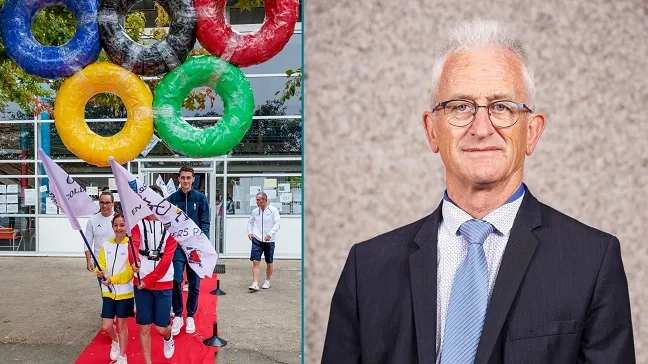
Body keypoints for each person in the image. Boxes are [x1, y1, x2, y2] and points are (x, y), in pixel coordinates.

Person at [322, 19, 635, 363]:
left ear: (531, 132)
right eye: (460, 107)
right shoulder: (366, 268)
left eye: (502, 107)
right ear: (432, 131)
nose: (482, 128)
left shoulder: (591, 260)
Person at [129, 185, 178, 362]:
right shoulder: (136, 221)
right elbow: (133, 244)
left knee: (160, 327)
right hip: (141, 279)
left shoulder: (171, 225)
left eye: (155, 200)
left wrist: (149, 280)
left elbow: (166, 261)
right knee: (144, 327)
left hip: (162, 280)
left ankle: (168, 336)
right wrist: (133, 260)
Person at [167, 166, 210, 336]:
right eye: (183, 177)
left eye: (188, 178)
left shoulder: (200, 199)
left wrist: (202, 241)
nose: (185, 181)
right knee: (176, 279)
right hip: (177, 247)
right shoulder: (172, 198)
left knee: (194, 283)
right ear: (179, 178)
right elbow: (167, 222)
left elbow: (205, 222)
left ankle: (190, 315)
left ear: (193, 179)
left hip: (194, 248)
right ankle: (178, 314)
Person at [94, 213, 134, 364]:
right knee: (106, 326)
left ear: (126, 227)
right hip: (108, 293)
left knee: (122, 325)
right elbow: (101, 264)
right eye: (116, 225)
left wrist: (113, 279)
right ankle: (115, 341)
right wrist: (98, 271)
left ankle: (123, 356)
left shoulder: (131, 245)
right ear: (112, 227)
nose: (119, 228)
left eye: (122, 225)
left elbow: (130, 272)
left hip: (125, 293)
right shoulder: (106, 245)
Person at [247, 192, 280, 291]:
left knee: (269, 262)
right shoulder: (255, 211)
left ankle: (267, 280)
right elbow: (250, 222)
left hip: (269, 241)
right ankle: (255, 283)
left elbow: (277, 223)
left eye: (258, 200)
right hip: (257, 240)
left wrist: (270, 234)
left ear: (264, 200)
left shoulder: (273, 210)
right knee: (255, 262)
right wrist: (250, 232)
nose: (256, 201)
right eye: (256, 199)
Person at [85, 191, 116, 288]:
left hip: (117, 260)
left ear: (113, 203)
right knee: (105, 291)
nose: (104, 206)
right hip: (100, 262)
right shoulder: (92, 220)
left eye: (107, 203)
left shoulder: (119, 219)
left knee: (119, 290)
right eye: (102, 202)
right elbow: (88, 242)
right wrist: (88, 260)